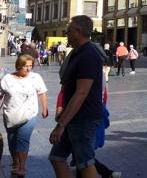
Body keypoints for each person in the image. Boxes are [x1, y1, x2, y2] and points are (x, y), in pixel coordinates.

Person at [49, 15, 104, 178]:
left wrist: (61, 125)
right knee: (56, 157)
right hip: (71, 117)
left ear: (78, 31)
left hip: (83, 118)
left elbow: (81, 92)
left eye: (69, 30)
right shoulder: (77, 53)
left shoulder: (88, 55)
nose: (66, 33)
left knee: (84, 163)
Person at [0, 54, 48, 177]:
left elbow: (42, 92)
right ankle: (15, 162)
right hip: (10, 115)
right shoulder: (7, 79)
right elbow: (1, 96)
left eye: (30, 66)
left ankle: (22, 167)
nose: (28, 69)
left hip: (29, 114)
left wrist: (45, 108)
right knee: (12, 141)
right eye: (25, 66)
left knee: (23, 140)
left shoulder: (35, 77)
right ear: (18, 66)